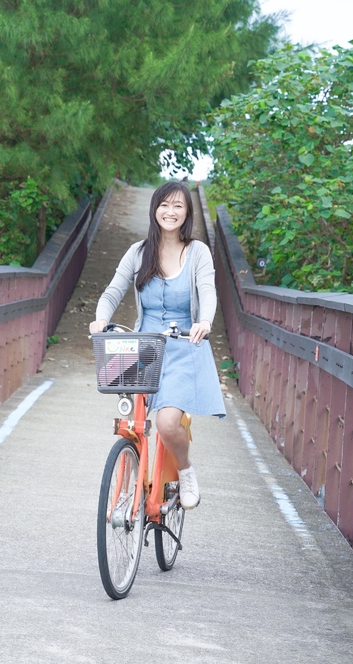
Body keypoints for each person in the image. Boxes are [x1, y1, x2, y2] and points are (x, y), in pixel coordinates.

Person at [90, 181, 226, 510]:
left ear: (188, 213)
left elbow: (207, 290)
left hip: (183, 346)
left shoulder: (197, 252)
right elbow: (113, 291)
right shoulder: (139, 252)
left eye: (178, 205)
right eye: (164, 205)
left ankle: (186, 471)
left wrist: (205, 321)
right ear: (154, 210)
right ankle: (130, 479)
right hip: (143, 347)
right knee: (131, 421)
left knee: (166, 422)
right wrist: (100, 318)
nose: (170, 211)